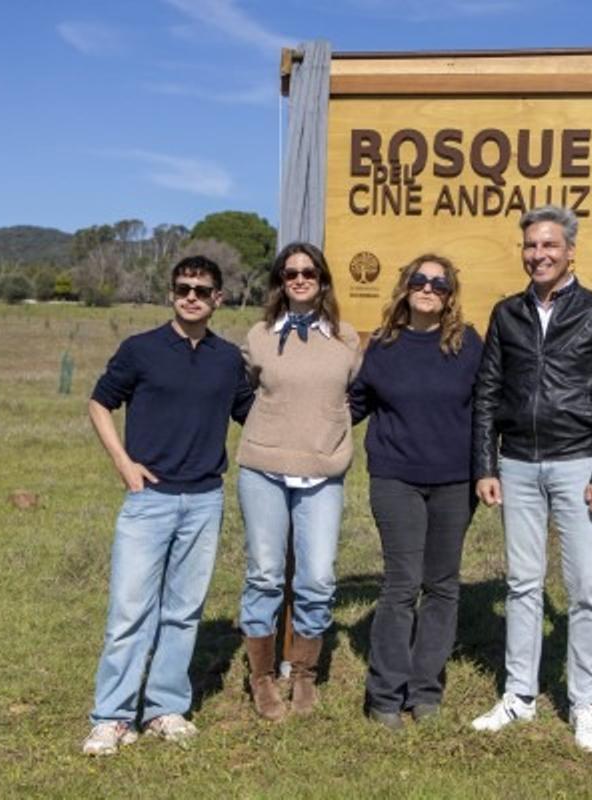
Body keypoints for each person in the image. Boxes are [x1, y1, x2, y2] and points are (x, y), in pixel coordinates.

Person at [470, 205, 592, 753]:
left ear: (570, 252)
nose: (538, 255)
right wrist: (485, 466)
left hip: (579, 464)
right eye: (531, 246)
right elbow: (487, 395)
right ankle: (519, 695)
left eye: (549, 246)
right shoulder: (507, 313)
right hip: (516, 464)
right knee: (521, 582)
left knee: (585, 587)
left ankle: (584, 701)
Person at [83, 255, 254, 756]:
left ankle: (164, 708)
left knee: (182, 612)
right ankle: (111, 717)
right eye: (184, 288)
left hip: (204, 499)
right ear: (172, 294)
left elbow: (252, 413)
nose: (192, 296)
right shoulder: (140, 350)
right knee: (130, 611)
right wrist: (123, 463)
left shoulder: (228, 359)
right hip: (149, 499)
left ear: (219, 298)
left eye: (203, 289)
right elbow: (99, 403)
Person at [349, 254, 483, 730]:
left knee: (442, 585)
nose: (428, 288)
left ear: (450, 295)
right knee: (401, 584)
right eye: (420, 280)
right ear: (405, 287)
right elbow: (354, 404)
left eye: (439, 283)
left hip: (455, 479)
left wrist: (488, 469)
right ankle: (385, 694)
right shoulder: (382, 346)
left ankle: (425, 691)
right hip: (395, 477)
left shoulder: (467, 344)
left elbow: (485, 408)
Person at [237, 242, 360, 721]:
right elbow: (248, 387)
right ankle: (263, 678)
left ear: (323, 279)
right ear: (280, 282)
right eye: (291, 274)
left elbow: (352, 394)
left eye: (309, 272)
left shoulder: (346, 340)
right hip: (262, 469)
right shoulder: (260, 335)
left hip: (323, 470)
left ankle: (304, 674)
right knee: (265, 574)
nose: (301, 279)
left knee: (317, 577)